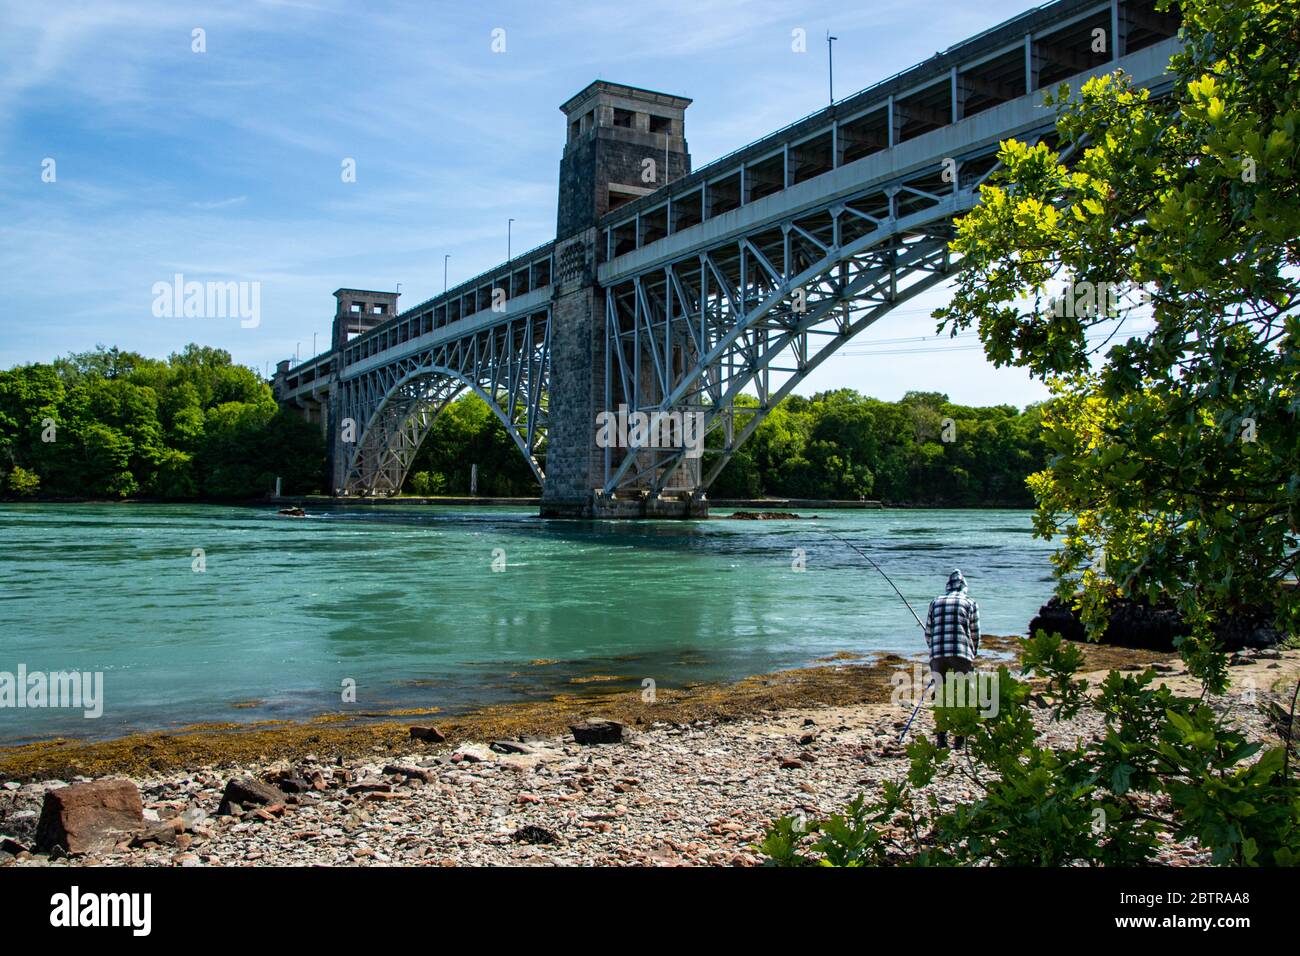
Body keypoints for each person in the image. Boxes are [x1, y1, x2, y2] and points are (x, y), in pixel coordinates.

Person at [923, 568, 980, 749]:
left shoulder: (935, 602)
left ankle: (941, 737)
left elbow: (929, 632)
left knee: (941, 694)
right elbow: (975, 632)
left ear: (948, 586)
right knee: (964, 694)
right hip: (961, 652)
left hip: (938, 653)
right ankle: (960, 738)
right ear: (964, 587)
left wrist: (934, 650)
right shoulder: (970, 603)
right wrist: (973, 653)